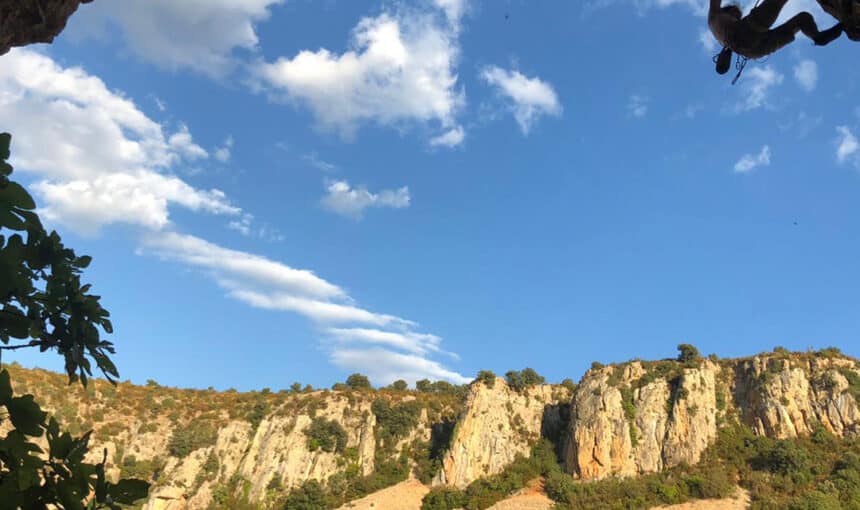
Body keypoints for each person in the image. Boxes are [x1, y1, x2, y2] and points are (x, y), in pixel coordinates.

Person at [709, 0, 841, 75]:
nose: (738, 17)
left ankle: (818, 36)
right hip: (745, 35)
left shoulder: (722, 32)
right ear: (726, 11)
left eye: (738, 16)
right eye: (736, 14)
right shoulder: (714, 16)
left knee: (803, 19)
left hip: (755, 51)